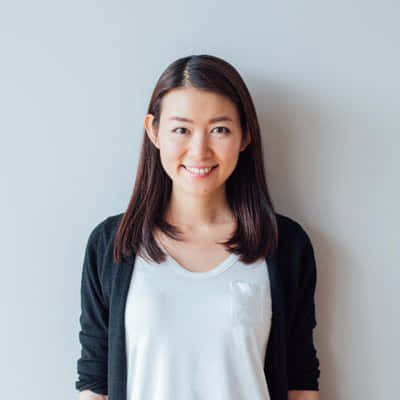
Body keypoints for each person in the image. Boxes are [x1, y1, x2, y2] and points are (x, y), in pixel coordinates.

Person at [75, 54, 321, 400]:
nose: (199, 150)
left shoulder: (285, 246)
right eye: (181, 129)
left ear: (245, 135)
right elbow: (95, 381)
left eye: (219, 129)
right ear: (154, 131)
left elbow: (300, 380)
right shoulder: (112, 244)